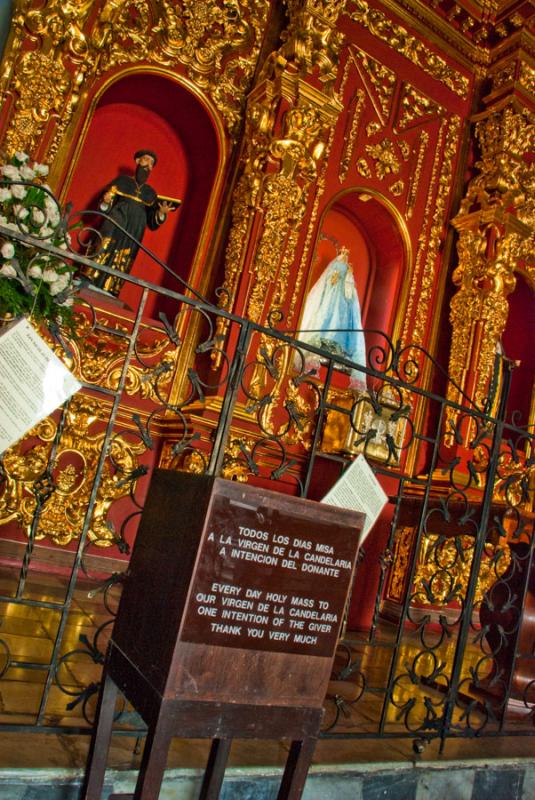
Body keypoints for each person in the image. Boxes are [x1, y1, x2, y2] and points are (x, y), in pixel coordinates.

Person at [84, 149, 173, 295]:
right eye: (146, 160)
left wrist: (161, 213)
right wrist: (106, 201)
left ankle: (110, 287)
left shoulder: (151, 193)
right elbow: (105, 205)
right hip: (116, 220)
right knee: (104, 244)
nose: (148, 165)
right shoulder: (122, 181)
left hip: (134, 230)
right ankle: (89, 277)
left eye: (151, 164)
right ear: (138, 161)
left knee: (123, 256)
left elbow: (152, 222)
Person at [297, 246, 367, 390]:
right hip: (333, 296)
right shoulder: (338, 266)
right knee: (327, 318)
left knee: (341, 322)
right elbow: (330, 279)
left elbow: (349, 286)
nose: (345, 256)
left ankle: (337, 349)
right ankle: (323, 345)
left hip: (344, 300)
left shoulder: (348, 268)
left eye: (346, 254)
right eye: (344, 254)